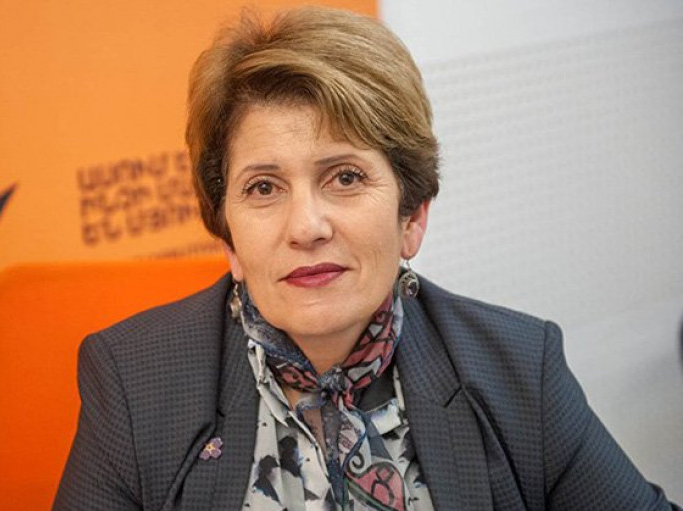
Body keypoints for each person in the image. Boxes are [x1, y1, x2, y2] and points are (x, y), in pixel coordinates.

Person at [53, 7, 679, 511]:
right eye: (263, 187)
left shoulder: (519, 371)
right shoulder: (133, 380)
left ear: (412, 217)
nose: (306, 226)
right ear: (228, 240)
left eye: (345, 177)